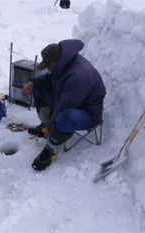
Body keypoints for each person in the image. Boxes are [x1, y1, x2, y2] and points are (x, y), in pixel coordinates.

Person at [21, 39, 106, 171]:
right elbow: (51, 78)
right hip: (68, 99)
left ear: (56, 61)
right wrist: (33, 82)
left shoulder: (78, 75)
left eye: (49, 66)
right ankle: (45, 124)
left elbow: (64, 106)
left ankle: (51, 149)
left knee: (65, 117)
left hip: (87, 112)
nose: (48, 69)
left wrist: (51, 127)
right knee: (38, 88)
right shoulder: (63, 62)